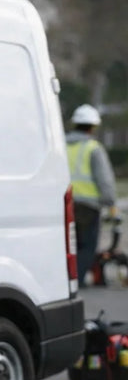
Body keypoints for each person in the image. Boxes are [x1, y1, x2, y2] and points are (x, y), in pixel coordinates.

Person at [66, 103, 118, 285]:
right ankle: (77, 282)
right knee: (86, 247)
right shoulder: (93, 148)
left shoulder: (62, 145)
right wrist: (110, 202)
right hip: (88, 207)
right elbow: (104, 180)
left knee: (68, 247)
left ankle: (66, 283)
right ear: (94, 126)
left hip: (65, 204)